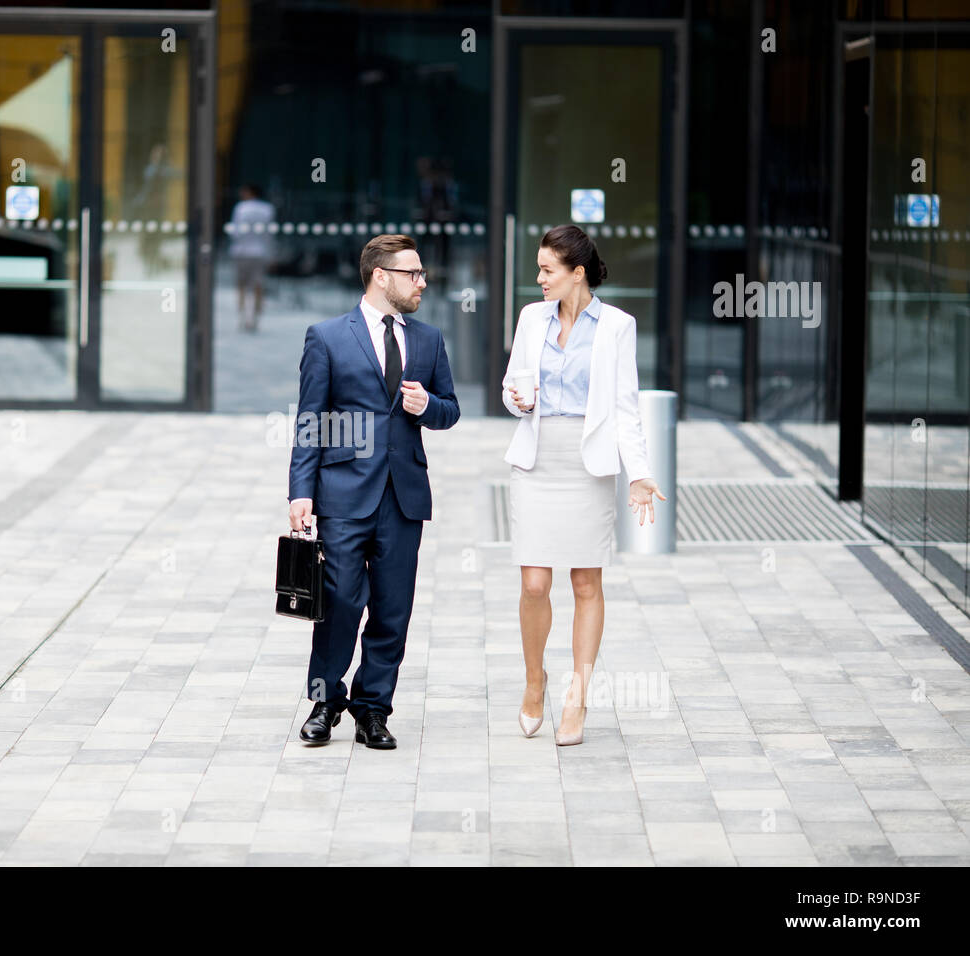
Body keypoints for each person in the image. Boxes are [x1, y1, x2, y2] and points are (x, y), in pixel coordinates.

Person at [288, 234, 460, 749]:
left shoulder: (428, 340)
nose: (423, 282)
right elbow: (310, 420)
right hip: (342, 491)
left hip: (403, 496)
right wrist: (301, 490)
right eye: (413, 273)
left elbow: (450, 410)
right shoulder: (327, 337)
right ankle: (325, 701)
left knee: (392, 607)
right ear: (381, 276)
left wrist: (426, 404)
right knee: (339, 598)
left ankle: (372, 710)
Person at [501, 224, 665, 746]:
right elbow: (512, 385)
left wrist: (639, 473)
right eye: (538, 268)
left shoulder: (617, 326)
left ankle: (577, 695)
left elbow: (625, 406)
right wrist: (518, 401)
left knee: (586, 584)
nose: (538, 278)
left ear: (577, 273)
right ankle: (534, 681)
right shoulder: (532, 318)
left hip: (588, 465)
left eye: (547, 270)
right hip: (536, 459)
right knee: (534, 583)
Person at [228, 184, 276, 331]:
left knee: (241, 284)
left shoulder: (241, 208)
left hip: (242, 251)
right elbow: (269, 234)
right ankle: (255, 318)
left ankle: (243, 316)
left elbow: (235, 231)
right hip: (259, 251)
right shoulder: (267, 209)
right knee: (258, 285)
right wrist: (271, 253)